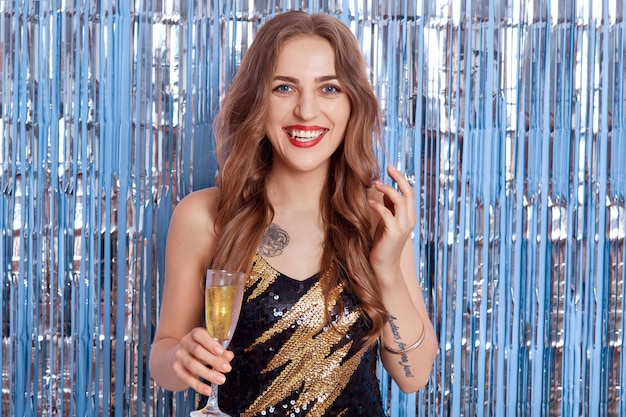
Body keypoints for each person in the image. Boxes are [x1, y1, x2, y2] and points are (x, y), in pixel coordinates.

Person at [149, 10, 438, 416]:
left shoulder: (377, 216)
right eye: (284, 87)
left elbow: (414, 376)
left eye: (329, 89)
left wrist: (386, 267)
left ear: (352, 101)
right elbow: (163, 359)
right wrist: (180, 357)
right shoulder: (203, 216)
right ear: (256, 100)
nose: (306, 111)